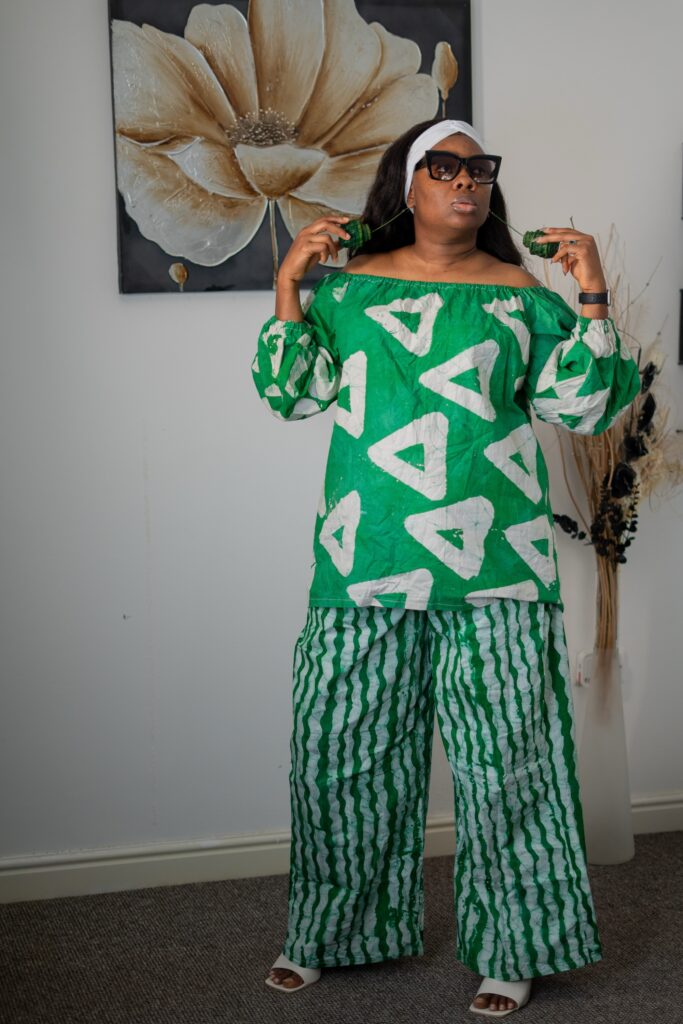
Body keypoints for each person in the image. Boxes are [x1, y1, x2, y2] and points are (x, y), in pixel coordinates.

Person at [251, 117, 640, 1017]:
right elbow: (291, 394)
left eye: (478, 169)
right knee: (340, 756)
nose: (466, 182)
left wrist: (590, 292)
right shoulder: (350, 289)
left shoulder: (519, 293)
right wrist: (288, 285)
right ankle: (331, 932)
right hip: (363, 562)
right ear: (408, 183)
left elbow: (583, 408)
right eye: (443, 167)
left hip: (498, 568)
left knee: (509, 764)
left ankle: (516, 946)